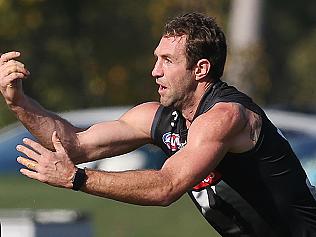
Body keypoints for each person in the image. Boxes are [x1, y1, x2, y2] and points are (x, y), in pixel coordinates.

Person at [0, 12, 316, 237]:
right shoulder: (158, 117)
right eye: (157, 58)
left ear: (201, 69)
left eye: (168, 60)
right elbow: (73, 144)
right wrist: (19, 102)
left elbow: (167, 187)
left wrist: (76, 179)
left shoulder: (225, 117)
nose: (155, 71)